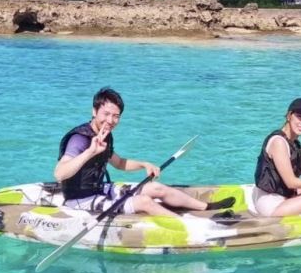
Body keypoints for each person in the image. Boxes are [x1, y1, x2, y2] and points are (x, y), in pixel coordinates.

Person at [55, 87, 234, 216]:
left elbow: (118, 163)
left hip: (100, 189)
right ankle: (186, 227)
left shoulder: (105, 135)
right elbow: (60, 174)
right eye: (106, 114)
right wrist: (90, 152)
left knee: (155, 188)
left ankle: (205, 207)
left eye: (116, 116)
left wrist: (144, 164)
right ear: (94, 111)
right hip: (79, 200)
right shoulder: (79, 139)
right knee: (144, 202)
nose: (110, 120)